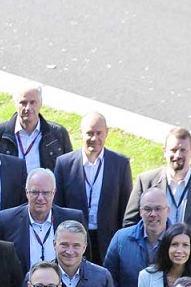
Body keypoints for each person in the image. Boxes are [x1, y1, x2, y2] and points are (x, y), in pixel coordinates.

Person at [123, 127, 191, 269]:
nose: (178, 155)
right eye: (173, 150)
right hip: (152, 264)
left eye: (183, 150)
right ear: (164, 151)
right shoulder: (146, 181)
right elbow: (130, 223)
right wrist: (140, 257)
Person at [53, 111, 133, 262]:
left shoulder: (120, 164)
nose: (94, 138)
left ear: (107, 133)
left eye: (99, 133)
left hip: (108, 240)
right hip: (74, 241)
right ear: (81, 133)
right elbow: (58, 206)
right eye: (89, 133)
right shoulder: (64, 164)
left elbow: (126, 209)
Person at [0, 169, 85, 273]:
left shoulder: (73, 218)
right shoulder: (6, 220)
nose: (40, 198)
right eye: (35, 192)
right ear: (27, 192)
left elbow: (84, 259)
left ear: (54, 193)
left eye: (46, 193)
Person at [0, 85, 72, 173]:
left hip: (45, 186)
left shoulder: (58, 134)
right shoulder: (0, 133)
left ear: (40, 103)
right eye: (23, 103)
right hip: (11, 186)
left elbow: (69, 169)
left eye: (33, 102)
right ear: (15, 104)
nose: (28, 108)